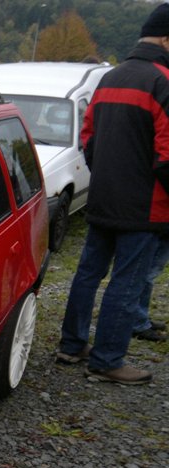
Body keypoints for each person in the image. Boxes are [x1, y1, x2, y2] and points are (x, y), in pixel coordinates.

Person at [55, 2, 169, 385]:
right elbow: (168, 154)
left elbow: (88, 137)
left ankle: (71, 345)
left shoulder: (109, 77)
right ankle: (107, 360)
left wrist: (102, 174)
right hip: (145, 205)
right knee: (127, 280)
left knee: (88, 272)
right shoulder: (163, 80)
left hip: (103, 196)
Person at [132, 238, 169, 340]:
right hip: (155, 225)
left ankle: (140, 318)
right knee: (144, 273)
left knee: (151, 272)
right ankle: (137, 322)